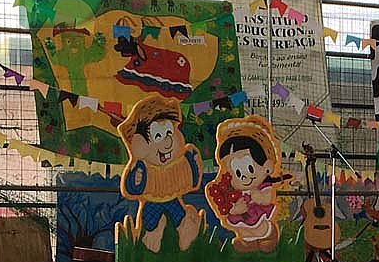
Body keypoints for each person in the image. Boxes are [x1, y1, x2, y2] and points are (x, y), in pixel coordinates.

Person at [117, 94, 203, 253]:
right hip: (151, 201)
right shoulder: (142, 167)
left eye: (169, 133)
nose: (167, 142)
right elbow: (133, 188)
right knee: (151, 225)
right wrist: (136, 180)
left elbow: (190, 177)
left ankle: (186, 230)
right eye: (158, 136)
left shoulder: (177, 164)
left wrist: (193, 164)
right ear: (138, 142)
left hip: (173, 199)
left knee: (180, 217)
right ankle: (153, 234)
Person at [205, 116, 289, 253]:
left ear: (266, 166)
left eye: (250, 168)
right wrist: (234, 210)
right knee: (243, 228)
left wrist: (260, 197)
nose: (243, 176)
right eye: (237, 172)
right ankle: (247, 242)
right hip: (242, 215)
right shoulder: (233, 190)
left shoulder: (263, 184)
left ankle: (268, 236)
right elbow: (227, 205)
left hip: (257, 212)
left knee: (260, 226)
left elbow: (267, 197)